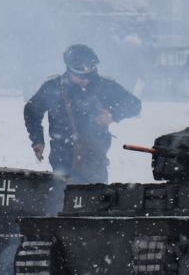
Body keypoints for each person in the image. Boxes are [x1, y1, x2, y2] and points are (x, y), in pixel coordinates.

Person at [22, 43, 143, 183]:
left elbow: (134, 104)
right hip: (62, 157)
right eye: (80, 76)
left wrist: (113, 115)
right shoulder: (53, 87)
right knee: (63, 199)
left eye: (89, 76)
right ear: (69, 70)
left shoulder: (104, 86)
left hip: (94, 158)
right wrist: (37, 140)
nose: (85, 80)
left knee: (94, 198)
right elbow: (32, 111)